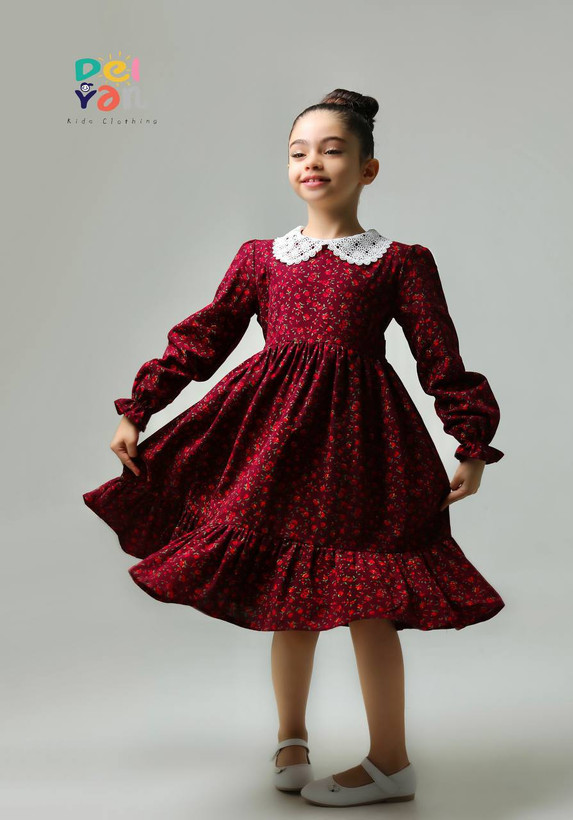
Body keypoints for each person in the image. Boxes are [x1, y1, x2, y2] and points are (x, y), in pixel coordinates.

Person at [82, 88, 505, 807]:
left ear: (368, 168)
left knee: (370, 595)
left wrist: (469, 442)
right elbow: (205, 337)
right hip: (274, 440)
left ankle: (390, 762)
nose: (312, 162)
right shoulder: (262, 259)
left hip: (363, 447)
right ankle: (291, 737)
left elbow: (440, 358)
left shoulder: (400, 262)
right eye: (298, 152)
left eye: (332, 150)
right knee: (289, 592)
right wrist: (141, 405)